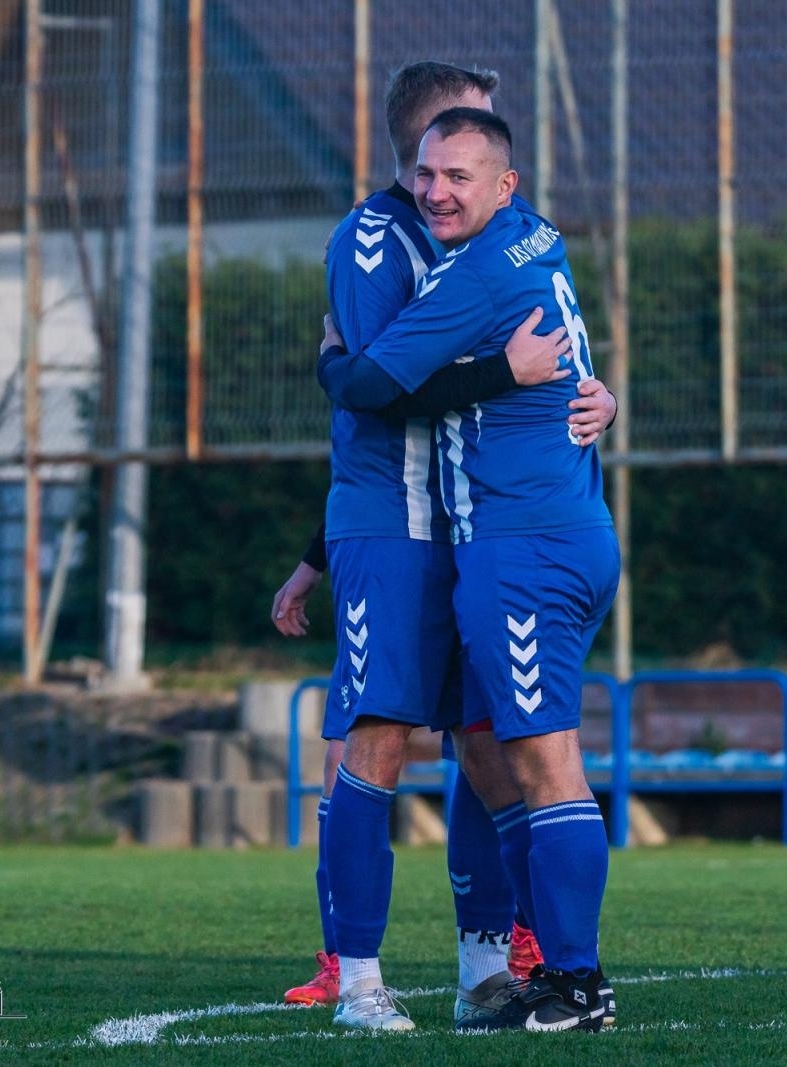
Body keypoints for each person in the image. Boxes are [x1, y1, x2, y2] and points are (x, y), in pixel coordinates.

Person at [277, 62, 614, 1033]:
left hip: (481, 528)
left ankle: (488, 968)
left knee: (487, 739)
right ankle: (357, 977)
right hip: (397, 524)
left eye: (471, 160)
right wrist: (349, 372)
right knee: (382, 735)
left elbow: (533, 330)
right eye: (440, 158)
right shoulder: (375, 235)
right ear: (415, 145)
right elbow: (375, 394)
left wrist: (588, 392)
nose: (446, 181)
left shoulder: (506, 232)